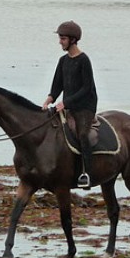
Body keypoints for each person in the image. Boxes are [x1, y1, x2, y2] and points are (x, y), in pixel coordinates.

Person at [42, 20, 98, 188]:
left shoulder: (84, 60)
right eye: (60, 38)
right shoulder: (63, 60)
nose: (60, 41)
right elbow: (57, 84)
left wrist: (65, 102)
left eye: (63, 38)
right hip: (67, 105)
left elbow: (86, 88)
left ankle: (86, 174)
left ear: (73, 40)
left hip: (84, 106)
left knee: (82, 135)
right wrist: (49, 99)